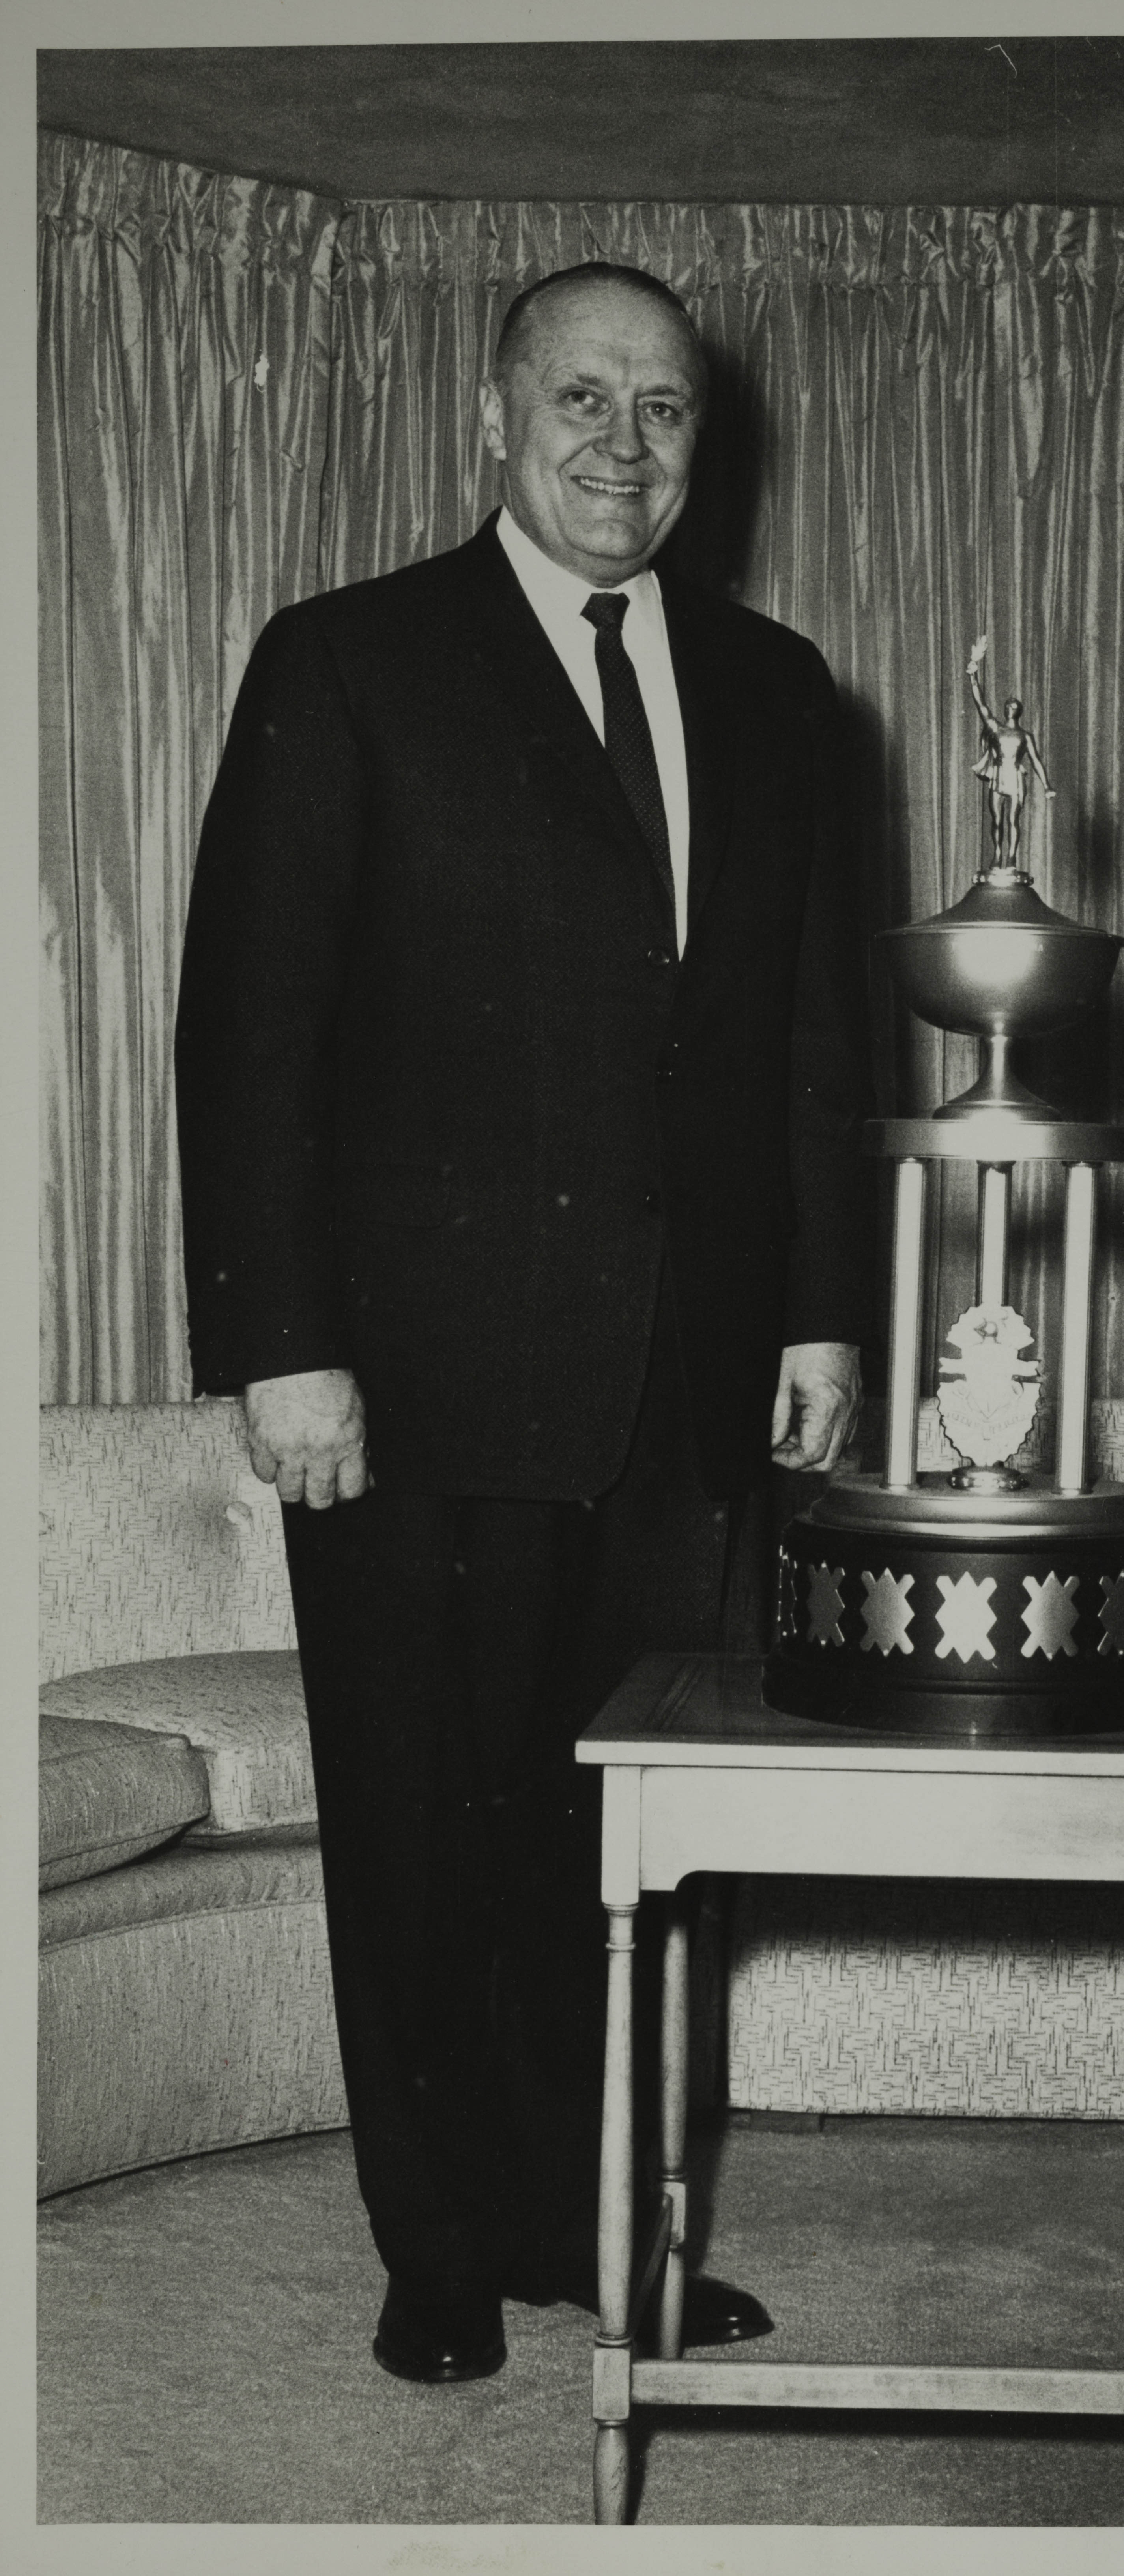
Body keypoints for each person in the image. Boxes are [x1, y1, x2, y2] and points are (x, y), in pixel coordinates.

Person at [175, 263, 875, 2387]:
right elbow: (248, 1034)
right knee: (421, 1819)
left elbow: (810, 1042)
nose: (623, 444)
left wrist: (827, 1312)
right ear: (494, 418)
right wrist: (280, 1344)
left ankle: (596, 2233)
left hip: (682, 1390)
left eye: (664, 410)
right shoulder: (351, 660)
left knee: (624, 1833)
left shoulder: (780, 694)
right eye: (580, 399)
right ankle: (440, 2249)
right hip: (412, 1379)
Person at [965, 635, 1054, 867]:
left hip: (1015, 778)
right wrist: (973, 676)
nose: (1010, 707)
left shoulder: (1025, 736)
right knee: (996, 821)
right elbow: (981, 705)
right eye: (1008, 705)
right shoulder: (996, 728)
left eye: (1014, 705)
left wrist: (1047, 786)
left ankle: (1012, 858)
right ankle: (997, 855)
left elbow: (1036, 761)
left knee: (1014, 820)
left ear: (1020, 711)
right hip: (998, 776)